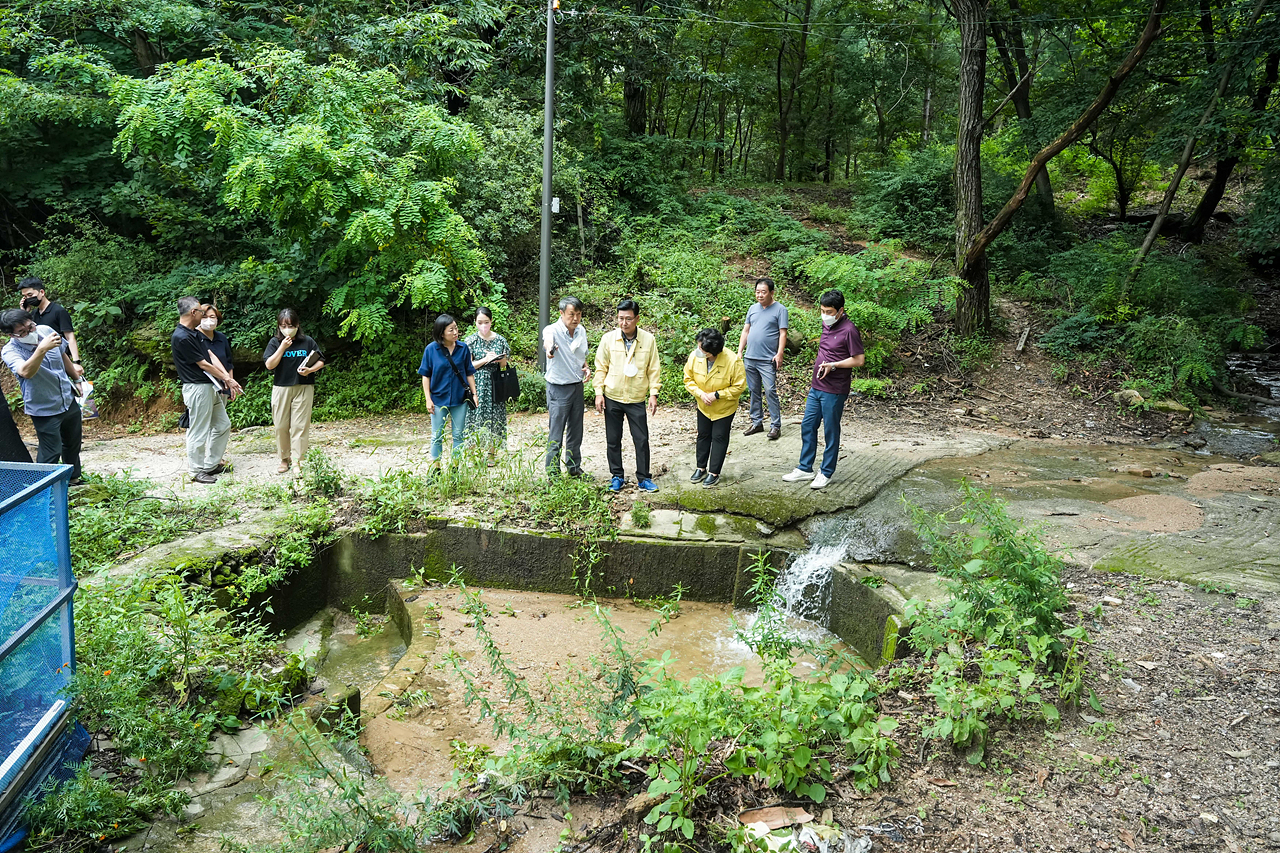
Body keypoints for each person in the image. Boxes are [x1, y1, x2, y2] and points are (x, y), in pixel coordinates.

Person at [782, 290, 864, 490]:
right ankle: (805, 468)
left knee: (830, 430)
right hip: (816, 386)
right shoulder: (827, 324)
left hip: (834, 390)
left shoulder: (849, 330)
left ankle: (826, 472)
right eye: (822, 310)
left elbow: (859, 360)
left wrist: (833, 365)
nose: (824, 314)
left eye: (829, 311)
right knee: (807, 425)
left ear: (840, 311)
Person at [0, 308, 84, 482]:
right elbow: (25, 372)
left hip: (67, 398)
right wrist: (41, 349)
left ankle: (74, 479)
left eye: (30, 327)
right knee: (51, 450)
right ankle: (45, 489)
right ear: (12, 335)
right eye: (22, 332)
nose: (30, 332)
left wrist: (76, 379)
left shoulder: (45, 330)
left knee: (72, 443)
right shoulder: (10, 351)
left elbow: (62, 355)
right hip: (43, 407)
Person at [172, 296, 242, 484]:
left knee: (222, 425)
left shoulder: (194, 333)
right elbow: (203, 364)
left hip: (209, 386)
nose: (205, 316)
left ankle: (211, 465)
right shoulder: (181, 337)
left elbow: (210, 356)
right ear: (193, 313)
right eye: (202, 312)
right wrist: (226, 378)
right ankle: (196, 471)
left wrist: (228, 379)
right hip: (197, 388)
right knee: (198, 430)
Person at [595, 298, 662, 492]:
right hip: (613, 396)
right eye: (620, 318)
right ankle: (617, 476)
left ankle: (643, 478)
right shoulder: (608, 339)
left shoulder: (648, 339)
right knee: (613, 439)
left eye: (628, 319)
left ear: (637, 319)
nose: (624, 323)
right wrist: (599, 393)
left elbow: (653, 369)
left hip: (636, 397)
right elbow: (601, 368)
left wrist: (653, 393)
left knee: (641, 439)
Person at [264, 308, 326, 474]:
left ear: (297, 325)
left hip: (304, 387)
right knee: (281, 426)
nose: (287, 328)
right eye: (283, 325)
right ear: (279, 326)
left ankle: (298, 460)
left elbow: (321, 360)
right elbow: (269, 365)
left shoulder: (307, 341)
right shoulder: (275, 342)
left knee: (300, 426)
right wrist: (282, 347)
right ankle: (285, 459)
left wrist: (310, 370)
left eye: (290, 325)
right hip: (281, 388)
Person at [682, 328, 746, 488]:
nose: (698, 351)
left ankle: (714, 472)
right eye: (698, 346)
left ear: (713, 352)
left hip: (724, 408)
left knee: (719, 437)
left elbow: (739, 387)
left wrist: (718, 395)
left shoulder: (733, 361)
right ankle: (700, 467)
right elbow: (688, 379)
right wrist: (699, 393)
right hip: (703, 405)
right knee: (703, 435)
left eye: (702, 350)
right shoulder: (695, 357)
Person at [419, 314, 478, 467]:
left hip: (460, 399)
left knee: (458, 435)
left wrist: (474, 394)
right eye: (451, 330)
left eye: (456, 328)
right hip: (438, 399)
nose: (455, 332)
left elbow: (469, 372)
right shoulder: (431, 349)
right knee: (437, 436)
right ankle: (436, 469)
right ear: (441, 333)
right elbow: (426, 375)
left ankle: (455, 468)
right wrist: (428, 399)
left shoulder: (463, 348)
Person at [542, 296, 590, 477]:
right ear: (561, 313)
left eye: (578, 314)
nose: (575, 318)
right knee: (556, 431)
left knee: (576, 430)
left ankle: (574, 468)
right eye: (571, 314)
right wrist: (549, 349)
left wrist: (585, 366)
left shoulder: (581, 331)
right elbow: (547, 341)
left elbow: (580, 354)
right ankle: (553, 472)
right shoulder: (552, 330)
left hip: (577, 385)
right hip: (558, 387)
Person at [739, 277, 788, 440]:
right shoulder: (753, 309)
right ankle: (757, 422)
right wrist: (740, 351)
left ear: (772, 292)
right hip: (750, 357)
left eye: (763, 292)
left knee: (770, 391)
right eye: (757, 292)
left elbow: (783, 333)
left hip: (767, 359)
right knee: (753, 391)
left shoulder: (780, 309)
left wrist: (779, 353)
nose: (760, 295)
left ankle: (775, 425)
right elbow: (746, 331)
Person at [464, 307, 511, 461]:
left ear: (491, 322)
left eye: (486, 322)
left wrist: (498, 359)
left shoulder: (500, 340)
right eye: (480, 322)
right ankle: (471, 454)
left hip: (495, 381)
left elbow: (504, 365)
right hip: (476, 382)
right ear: (475, 323)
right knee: (473, 415)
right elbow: (467, 366)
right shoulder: (471, 341)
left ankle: (491, 454)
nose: (483, 325)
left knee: (495, 415)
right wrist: (484, 360)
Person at [19, 277, 81, 367]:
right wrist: (24, 312)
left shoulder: (58, 311)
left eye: (30, 294)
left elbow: (70, 337)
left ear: (42, 292)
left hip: (61, 359)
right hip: (42, 361)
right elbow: (25, 335)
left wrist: (76, 362)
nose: (28, 299)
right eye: (25, 297)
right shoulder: (33, 314)